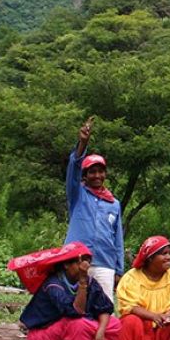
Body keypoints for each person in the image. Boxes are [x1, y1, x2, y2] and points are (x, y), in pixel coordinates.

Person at [14, 242, 122, 340]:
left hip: (74, 329)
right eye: (80, 261)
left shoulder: (91, 282)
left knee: (114, 324)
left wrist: (101, 331)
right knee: (77, 324)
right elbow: (75, 312)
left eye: (87, 261)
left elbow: (104, 308)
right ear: (66, 264)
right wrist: (83, 282)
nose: (85, 266)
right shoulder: (53, 285)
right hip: (43, 334)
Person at [64, 119, 124, 301]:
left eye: (100, 171)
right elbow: (73, 166)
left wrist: (119, 269)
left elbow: (118, 238)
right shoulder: (78, 194)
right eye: (92, 171)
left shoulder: (114, 203)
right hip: (76, 261)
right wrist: (83, 143)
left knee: (104, 309)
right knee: (73, 307)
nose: (97, 175)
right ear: (85, 175)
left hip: (104, 263)